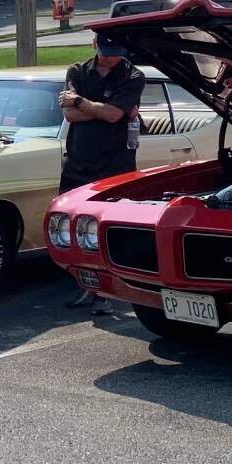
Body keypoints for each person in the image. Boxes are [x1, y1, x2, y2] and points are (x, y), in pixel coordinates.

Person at [58, 34, 146, 316]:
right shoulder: (77, 71)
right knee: (73, 226)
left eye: (117, 52)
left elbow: (112, 116)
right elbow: (71, 116)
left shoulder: (133, 75)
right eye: (107, 51)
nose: (112, 58)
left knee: (106, 230)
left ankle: (105, 292)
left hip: (114, 164)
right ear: (95, 45)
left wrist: (80, 101)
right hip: (79, 160)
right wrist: (100, 109)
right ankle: (86, 285)